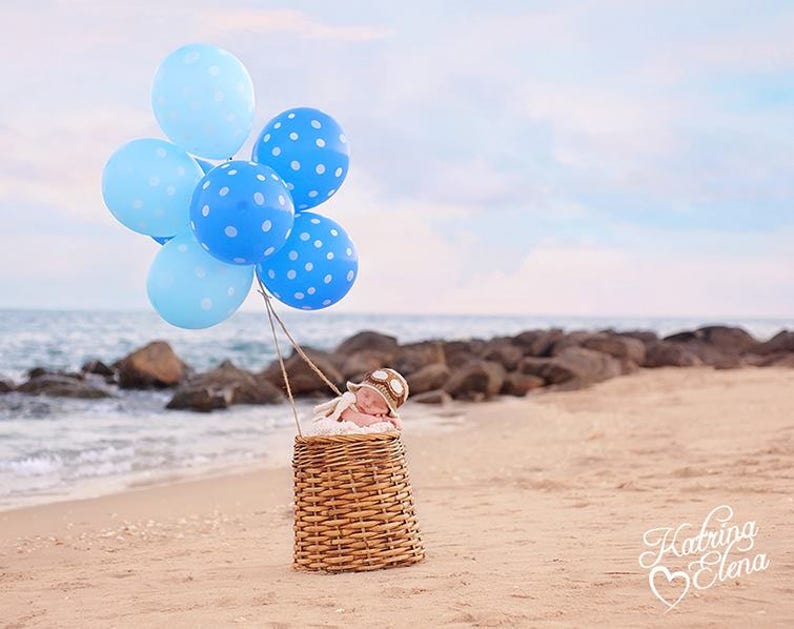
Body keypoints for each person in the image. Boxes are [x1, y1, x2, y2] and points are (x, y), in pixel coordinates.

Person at [308, 368, 409, 435]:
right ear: (358, 389)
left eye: (376, 404)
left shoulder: (382, 417)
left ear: (386, 411)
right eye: (365, 395)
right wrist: (381, 421)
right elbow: (356, 419)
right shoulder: (348, 404)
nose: (368, 403)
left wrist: (391, 421)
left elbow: (397, 425)